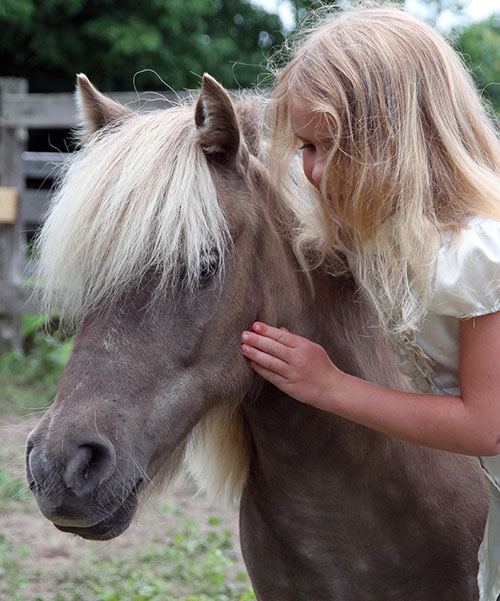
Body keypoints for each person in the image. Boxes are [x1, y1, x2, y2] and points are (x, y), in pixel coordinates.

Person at [240, 3, 500, 600]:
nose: (314, 171)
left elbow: (485, 426)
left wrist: (331, 386)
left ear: (407, 139)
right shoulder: (382, 236)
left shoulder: (479, 255)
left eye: (335, 146)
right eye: (305, 146)